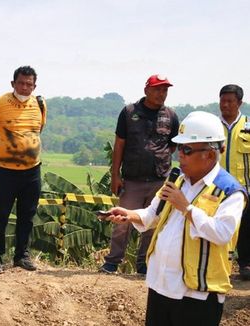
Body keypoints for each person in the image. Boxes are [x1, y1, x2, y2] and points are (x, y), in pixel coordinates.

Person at [106, 111, 246, 326]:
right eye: (179, 148)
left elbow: (222, 233)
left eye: (187, 149)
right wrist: (129, 215)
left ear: (209, 154)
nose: (179, 155)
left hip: (197, 294)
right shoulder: (177, 181)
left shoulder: (230, 192)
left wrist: (186, 208)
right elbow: (153, 215)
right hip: (161, 285)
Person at [100, 74, 179, 274]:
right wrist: (115, 175)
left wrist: (156, 158)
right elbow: (119, 144)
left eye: (165, 90)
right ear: (146, 90)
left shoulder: (171, 116)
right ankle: (112, 261)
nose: (162, 93)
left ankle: (144, 263)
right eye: (158, 89)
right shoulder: (129, 112)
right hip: (132, 179)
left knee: (152, 223)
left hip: (158, 179)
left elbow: (171, 146)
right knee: (122, 221)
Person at [0, 65, 46, 274]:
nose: (25, 87)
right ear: (13, 83)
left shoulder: (40, 104)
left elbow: (37, 130)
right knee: (1, 214)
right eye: (21, 83)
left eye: (29, 84)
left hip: (32, 170)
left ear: (34, 86)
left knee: (27, 215)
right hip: (6, 171)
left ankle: (21, 256)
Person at [218, 84, 250, 280]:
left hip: (245, 188)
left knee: (246, 228)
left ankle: (245, 265)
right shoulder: (212, 127)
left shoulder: (248, 125)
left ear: (240, 103)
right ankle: (220, 267)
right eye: (223, 101)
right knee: (220, 228)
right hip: (217, 190)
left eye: (230, 101)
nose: (225, 105)